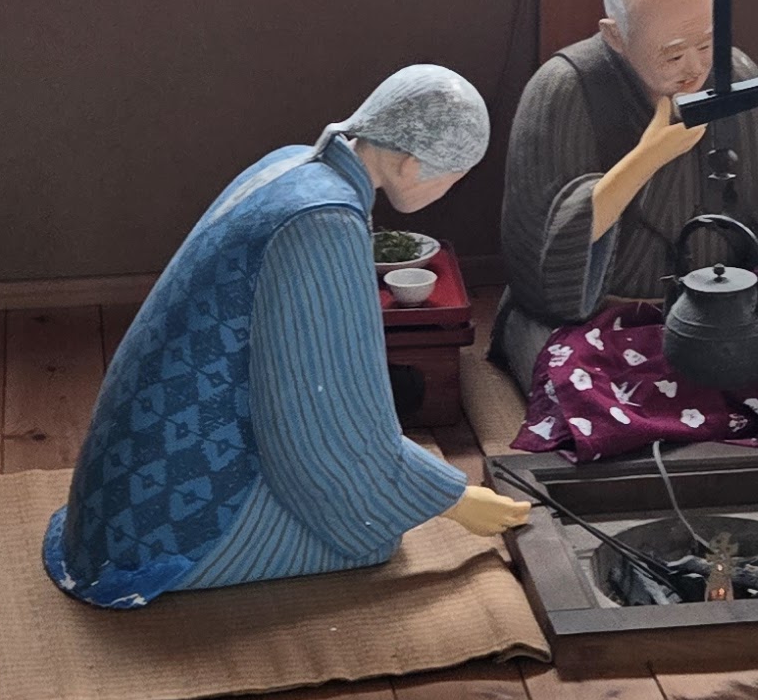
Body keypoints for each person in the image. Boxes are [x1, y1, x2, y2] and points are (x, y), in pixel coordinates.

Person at [46, 65, 521, 607]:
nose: (450, 189)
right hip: (164, 529)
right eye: (454, 177)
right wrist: (453, 499)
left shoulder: (295, 163)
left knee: (379, 504)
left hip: (121, 488)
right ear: (411, 163)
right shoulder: (322, 222)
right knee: (375, 534)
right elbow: (323, 423)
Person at [494, 0, 758, 393]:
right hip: (593, 324)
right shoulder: (564, 89)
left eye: (706, 44)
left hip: (719, 316)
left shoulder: (734, 77)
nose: (694, 67)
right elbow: (540, 271)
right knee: (582, 391)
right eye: (673, 54)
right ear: (615, 36)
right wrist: (646, 158)